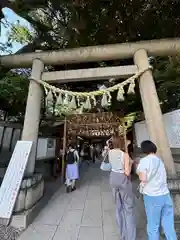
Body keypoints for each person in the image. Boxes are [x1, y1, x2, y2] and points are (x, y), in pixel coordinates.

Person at [136, 140, 177, 240]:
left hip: (152, 197)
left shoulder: (144, 161)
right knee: (169, 226)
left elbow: (143, 178)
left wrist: (138, 170)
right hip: (165, 195)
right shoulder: (160, 161)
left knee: (153, 226)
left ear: (144, 149)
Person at [108, 136, 136, 240]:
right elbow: (127, 172)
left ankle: (122, 234)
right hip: (123, 180)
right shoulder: (125, 154)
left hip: (113, 178)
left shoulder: (110, 152)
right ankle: (130, 237)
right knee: (128, 208)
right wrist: (129, 163)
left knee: (118, 208)